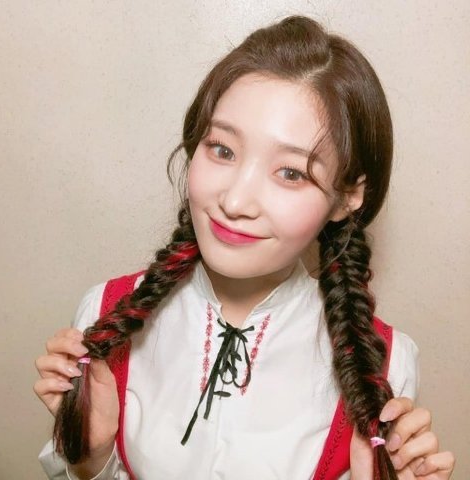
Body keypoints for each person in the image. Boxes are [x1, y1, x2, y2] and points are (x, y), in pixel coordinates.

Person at [34, 15, 455, 480]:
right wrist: (91, 458)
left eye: (291, 173)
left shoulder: (386, 364)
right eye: (222, 150)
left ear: (347, 197)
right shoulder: (105, 313)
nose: (234, 202)